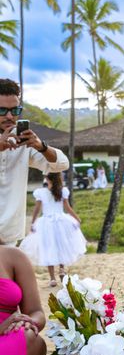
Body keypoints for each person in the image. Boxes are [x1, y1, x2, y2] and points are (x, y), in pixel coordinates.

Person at [0, 78, 69, 245]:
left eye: (14, 110)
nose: (9, 116)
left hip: (8, 236)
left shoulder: (23, 142)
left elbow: (61, 164)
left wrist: (41, 147)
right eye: (2, 110)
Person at [19, 172, 86, 287]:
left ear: (47, 179)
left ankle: (52, 278)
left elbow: (37, 209)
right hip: (61, 221)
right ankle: (61, 269)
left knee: (48, 247)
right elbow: (67, 207)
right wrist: (76, 218)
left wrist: (33, 222)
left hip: (46, 223)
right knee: (61, 246)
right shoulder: (62, 191)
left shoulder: (41, 192)